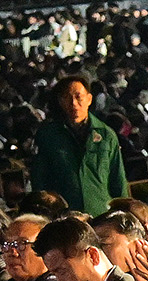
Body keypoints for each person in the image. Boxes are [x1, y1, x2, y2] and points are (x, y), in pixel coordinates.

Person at [33, 77, 126, 218]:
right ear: (60, 102)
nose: (74, 103)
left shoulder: (106, 135)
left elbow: (118, 178)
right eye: (67, 98)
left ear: (89, 99)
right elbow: (40, 179)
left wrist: (123, 213)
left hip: (101, 214)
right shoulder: (48, 136)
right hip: (65, 218)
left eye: (79, 97)